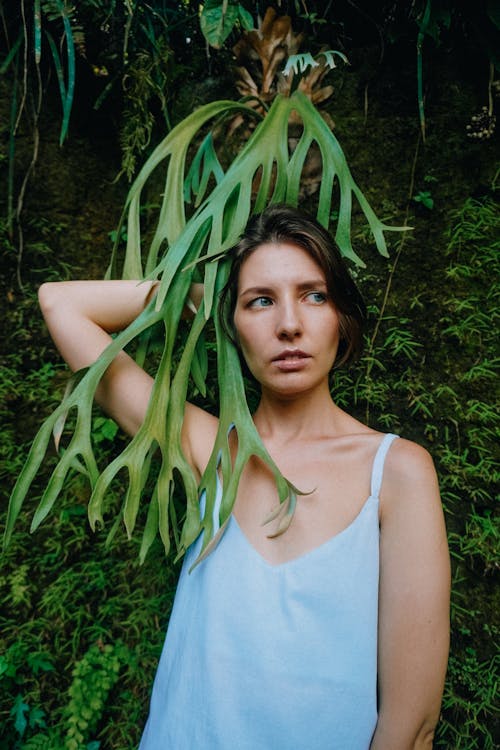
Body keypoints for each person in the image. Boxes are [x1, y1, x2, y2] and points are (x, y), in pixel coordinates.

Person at [38, 204, 450, 749]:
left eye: (314, 295)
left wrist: (243, 302)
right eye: (260, 301)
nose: (288, 324)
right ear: (229, 324)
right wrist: (190, 297)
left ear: (341, 318)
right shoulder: (207, 448)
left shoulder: (396, 471)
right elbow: (60, 303)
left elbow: (411, 726)